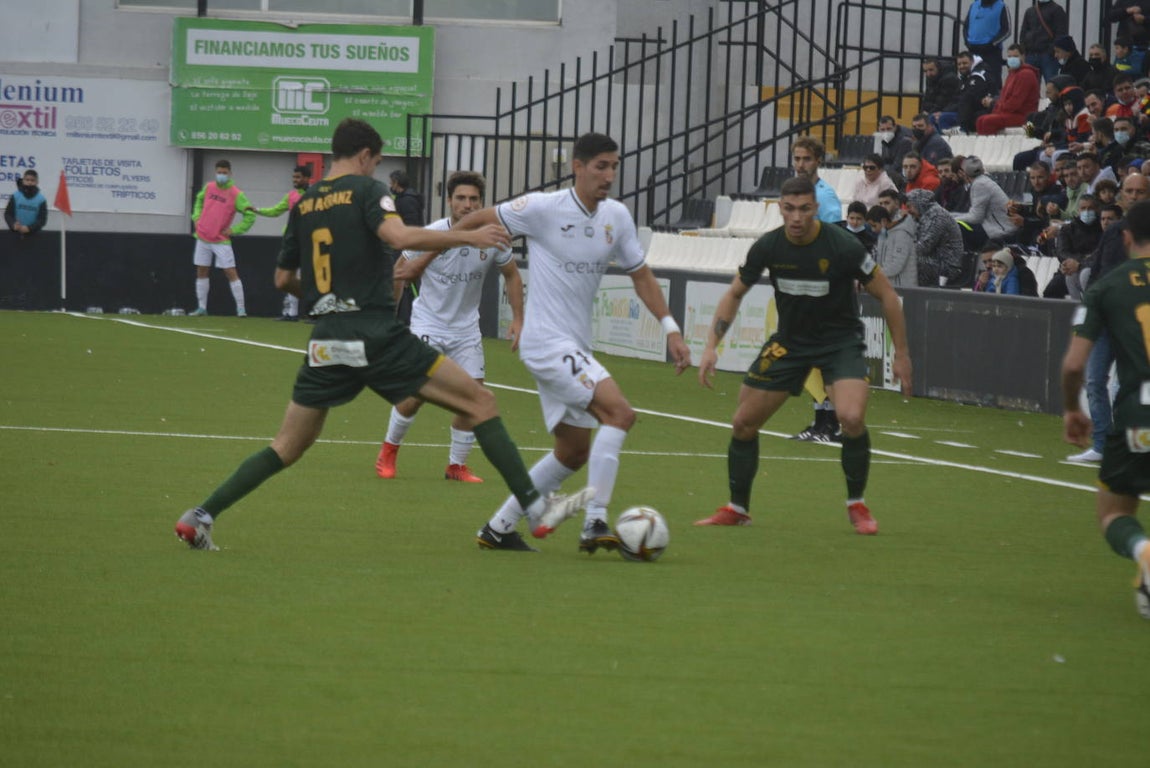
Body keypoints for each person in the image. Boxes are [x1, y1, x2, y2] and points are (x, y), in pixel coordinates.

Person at [173, 118, 589, 553]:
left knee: (287, 445)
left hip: (327, 339)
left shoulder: (305, 202)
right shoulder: (368, 191)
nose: (376, 169)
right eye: (376, 161)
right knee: (480, 402)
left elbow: (282, 279)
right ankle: (535, 507)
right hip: (371, 331)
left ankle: (200, 516)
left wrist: (326, 301)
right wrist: (466, 234)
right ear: (364, 155)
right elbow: (399, 235)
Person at [457, 132, 691, 555]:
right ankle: (594, 520)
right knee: (619, 413)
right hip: (546, 342)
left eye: (614, 166)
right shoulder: (543, 208)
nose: (609, 175)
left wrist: (671, 327)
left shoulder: (617, 216)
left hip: (576, 346)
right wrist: (439, 249)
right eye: (601, 166)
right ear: (577, 167)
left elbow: (641, 274)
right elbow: (476, 219)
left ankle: (498, 527)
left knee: (573, 451)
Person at [693, 176, 912, 535]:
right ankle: (737, 509)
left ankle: (856, 504)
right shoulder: (768, 246)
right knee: (743, 423)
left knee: (851, 417)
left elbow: (887, 295)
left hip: (840, 342)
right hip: (790, 343)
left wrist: (901, 354)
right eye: (790, 209)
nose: (796, 217)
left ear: (816, 209)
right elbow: (734, 293)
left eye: (805, 209)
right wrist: (710, 347)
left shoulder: (842, 245)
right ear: (780, 208)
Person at [375, 171, 524, 485]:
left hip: (466, 331)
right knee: (417, 392)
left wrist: (518, 318)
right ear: (449, 201)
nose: (467, 205)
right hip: (428, 323)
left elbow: (511, 274)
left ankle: (456, 466)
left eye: (473, 199)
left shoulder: (492, 237)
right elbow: (399, 272)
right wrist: (389, 319)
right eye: (461, 198)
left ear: (481, 203)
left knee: (474, 396)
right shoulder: (431, 233)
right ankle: (388, 450)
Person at [1060, 199, 1150, 619]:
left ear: (1127, 237)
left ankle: (1143, 550)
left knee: (1113, 513)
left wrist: (1071, 410)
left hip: (1138, 416)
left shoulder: (1107, 286)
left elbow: (1073, 365)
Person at [1072, 173, 1150, 463]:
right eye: (1129, 191)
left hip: (1137, 321)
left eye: (1139, 191)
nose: (1133, 196)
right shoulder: (1114, 230)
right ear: (1121, 195)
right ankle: (1102, 444)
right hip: (1106, 318)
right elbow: (1098, 270)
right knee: (1095, 381)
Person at [790, 135, 845, 442]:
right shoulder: (795, 195)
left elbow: (838, 244)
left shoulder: (826, 197)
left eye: (806, 159)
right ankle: (820, 420)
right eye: (797, 159)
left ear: (818, 161)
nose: (800, 165)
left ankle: (833, 422)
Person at [189, 160, 256, 317]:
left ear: (230, 173)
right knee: (201, 270)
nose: (221, 175)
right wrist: (196, 218)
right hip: (202, 237)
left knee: (230, 271)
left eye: (224, 173)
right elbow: (198, 201)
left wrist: (235, 230)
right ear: (215, 172)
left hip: (221, 240)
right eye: (219, 172)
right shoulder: (209, 187)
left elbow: (250, 216)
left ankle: (241, 309)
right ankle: (202, 308)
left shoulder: (236, 194)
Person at [253, 164, 313, 321]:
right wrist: (257, 210)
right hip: (293, 241)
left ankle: (315, 312)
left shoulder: (314, 195)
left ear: (307, 178)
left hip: (309, 241)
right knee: (290, 276)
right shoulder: (291, 195)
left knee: (309, 276)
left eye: (298, 177)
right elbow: (275, 211)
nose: (295, 180)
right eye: (294, 177)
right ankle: (292, 314)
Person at [952, 156, 1017, 251]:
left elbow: (976, 217)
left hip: (1001, 232)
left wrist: (952, 219)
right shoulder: (981, 181)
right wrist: (952, 216)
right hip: (993, 227)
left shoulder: (980, 184)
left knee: (957, 226)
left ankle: (967, 256)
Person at [975, 43, 1040, 135]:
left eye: (1015, 56)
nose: (1012, 59)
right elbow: (1003, 98)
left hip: (1025, 117)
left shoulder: (1026, 74)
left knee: (987, 121)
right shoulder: (1012, 74)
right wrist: (997, 108)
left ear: (1023, 56)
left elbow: (1015, 103)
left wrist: (996, 106)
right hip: (1010, 113)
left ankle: (993, 144)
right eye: (1009, 56)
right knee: (980, 120)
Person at [389, 169, 425, 327]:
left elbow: (411, 224)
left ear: (397, 183)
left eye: (391, 182)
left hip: (406, 246)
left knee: (403, 281)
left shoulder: (406, 201)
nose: (390, 186)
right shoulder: (406, 198)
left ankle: (405, 317)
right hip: (406, 245)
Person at [907, 188, 965, 287]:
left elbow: (924, 247)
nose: (909, 211)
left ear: (918, 203)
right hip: (934, 260)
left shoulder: (937, 216)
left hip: (947, 267)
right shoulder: (925, 215)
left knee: (908, 261)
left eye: (910, 206)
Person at [1048, 193, 1102, 299]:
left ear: (1097, 210)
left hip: (1094, 268)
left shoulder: (1103, 228)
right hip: (1070, 268)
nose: (1086, 211)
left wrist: (1080, 263)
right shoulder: (1067, 229)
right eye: (1083, 208)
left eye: (1090, 208)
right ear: (1078, 210)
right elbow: (1062, 252)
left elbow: (1100, 253)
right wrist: (1075, 262)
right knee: (1052, 290)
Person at [964, 0, 1011, 93]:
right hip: (973, 50)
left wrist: (992, 44)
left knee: (993, 82)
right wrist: (967, 42)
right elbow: (966, 26)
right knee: (972, 81)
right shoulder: (974, 5)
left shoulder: (1002, 6)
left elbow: (1007, 30)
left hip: (992, 52)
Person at [866, 203, 917, 287]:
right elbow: (880, 261)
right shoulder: (882, 235)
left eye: (874, 225)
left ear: (884, 221)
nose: (873, 229)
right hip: (888, 284)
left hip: (903, 286)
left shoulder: (902, 234)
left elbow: (896, 265)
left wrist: (874, 272)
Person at [1019, 0, 1069, 84]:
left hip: (1048, 56)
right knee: (1029, 85)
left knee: (1051, 85)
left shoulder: (1057, 10)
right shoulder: (1030, 11)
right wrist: (1024, 49)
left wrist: (1051, 50)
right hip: (1031, 54)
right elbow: (1023, 32)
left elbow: (1061, 33)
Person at [4, 169, 47, 238]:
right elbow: (8, 214)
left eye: (32, 180)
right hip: (15, 234)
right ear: (23, 180)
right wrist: (13, 224)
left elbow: (42, 220)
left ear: (37, 182)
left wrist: (29, 228)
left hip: (34, 235)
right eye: (27, 180)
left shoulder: (41, 199)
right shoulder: (16, 196)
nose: (29, 182)